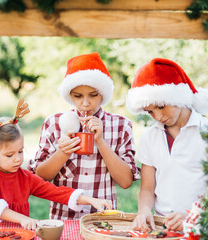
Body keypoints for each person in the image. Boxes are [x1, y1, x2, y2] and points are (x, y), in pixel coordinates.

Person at [0, 99, 112, 230]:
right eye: (9, 155)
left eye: (20, 151)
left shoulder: (25, 178)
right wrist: (23, 219)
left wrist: (91, 200)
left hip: (13, 233)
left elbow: (56, 192)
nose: (17, 159)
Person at [28, 52, 140, 220]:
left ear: (103, 93)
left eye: (93, 95)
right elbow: (40, 177)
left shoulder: (121, 125)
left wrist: (100, 142)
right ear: (69, 95)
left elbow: (125, 182)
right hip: (64, 218)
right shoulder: (54, 123)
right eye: (77, 96)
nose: (85, 103)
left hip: (103, 220)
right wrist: (63, 153)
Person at [126, 58, 208, 232]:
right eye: (150, 111)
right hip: (162, 228)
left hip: (202, 227)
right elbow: (147, 188)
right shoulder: (150, 137)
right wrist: (143, 211)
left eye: (161, 106)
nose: (157, 116)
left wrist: (193, 217)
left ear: (177, 96)